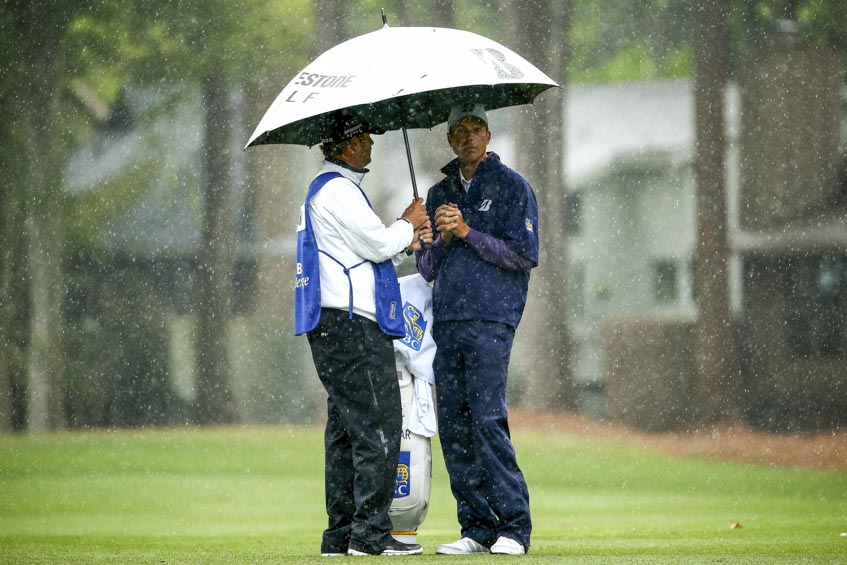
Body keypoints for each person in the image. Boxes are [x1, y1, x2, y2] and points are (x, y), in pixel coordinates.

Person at [294, 112, 432, 557]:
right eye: (365, 137)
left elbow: (365, 256)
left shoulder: (330, 190)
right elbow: (376, 245)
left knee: (346, 433)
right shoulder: (338, 191)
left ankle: (341, 533)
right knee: (379, 428)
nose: (372, 142)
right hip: (352, 326)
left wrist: (404, 240)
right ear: (348, 145)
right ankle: (370, 535)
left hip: (333, 324)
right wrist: (409, 222)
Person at [416, 102, 539, 556]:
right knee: (454, 426)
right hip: (447, 321)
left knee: (487, 420)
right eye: (459, 131)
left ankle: (514, 528)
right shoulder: (438, 193)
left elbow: (522, 255)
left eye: (476, 129)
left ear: (488, 136)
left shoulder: (512, 187)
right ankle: (476, 527)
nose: (467, 137)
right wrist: (444, 238)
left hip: (491, 319)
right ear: (449, 140)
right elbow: (426, 267)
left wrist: (466, 231)